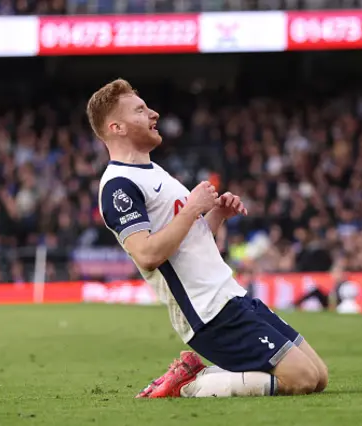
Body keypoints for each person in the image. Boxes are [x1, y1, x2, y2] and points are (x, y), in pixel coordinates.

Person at [89, 79, 328, 399]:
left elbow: (188, 247)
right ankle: (189, 385)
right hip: (207, 312)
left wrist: (214, 218)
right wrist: (191, 210)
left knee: (319, 377)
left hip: (232, 295)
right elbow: (146, 254)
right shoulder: (118, 186)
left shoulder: (154, 172)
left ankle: (196, 373)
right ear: (116, 127)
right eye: (141, 110)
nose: (154, 114)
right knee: (300, 380)